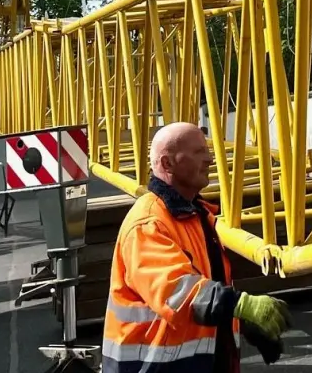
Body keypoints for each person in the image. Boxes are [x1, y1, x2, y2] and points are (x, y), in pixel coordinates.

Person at [103, 122, 293, 372]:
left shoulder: (195, 216)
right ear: (167, 163)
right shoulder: (148, 224)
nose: (209, 159)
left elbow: (206, 288)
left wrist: (240, 321)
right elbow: (178, 292)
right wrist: (243, 306)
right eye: (198, 152)